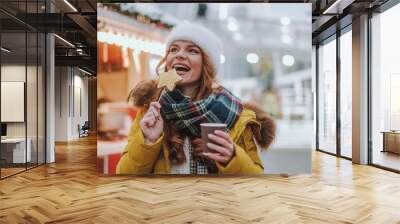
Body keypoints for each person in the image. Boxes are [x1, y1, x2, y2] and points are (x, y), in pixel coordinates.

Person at [116, 22, 275, 174]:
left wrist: (232, 157)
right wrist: (148, 141)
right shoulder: (151, 112)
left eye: (192, 51)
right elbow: (125, 174)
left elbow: (256, 180)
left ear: (207, 64)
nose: (179, 55)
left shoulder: (236, 117)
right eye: (173, 50)